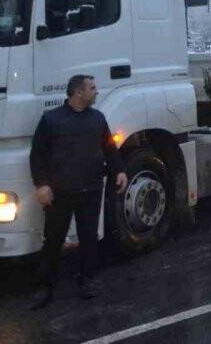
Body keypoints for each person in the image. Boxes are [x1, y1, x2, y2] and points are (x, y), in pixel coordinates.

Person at [29, 75, 128, 309]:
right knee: (53, 240)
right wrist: (42, 184)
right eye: (92, 88)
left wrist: (120, 171)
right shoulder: (52, 120)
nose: (96, 92)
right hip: (60, 193)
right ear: (78, 93)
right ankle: (46, 287)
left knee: (89, 239)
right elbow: (38, 156)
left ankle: (88, 281)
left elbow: (109, 148)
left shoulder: (98, 119)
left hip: (91, 190)